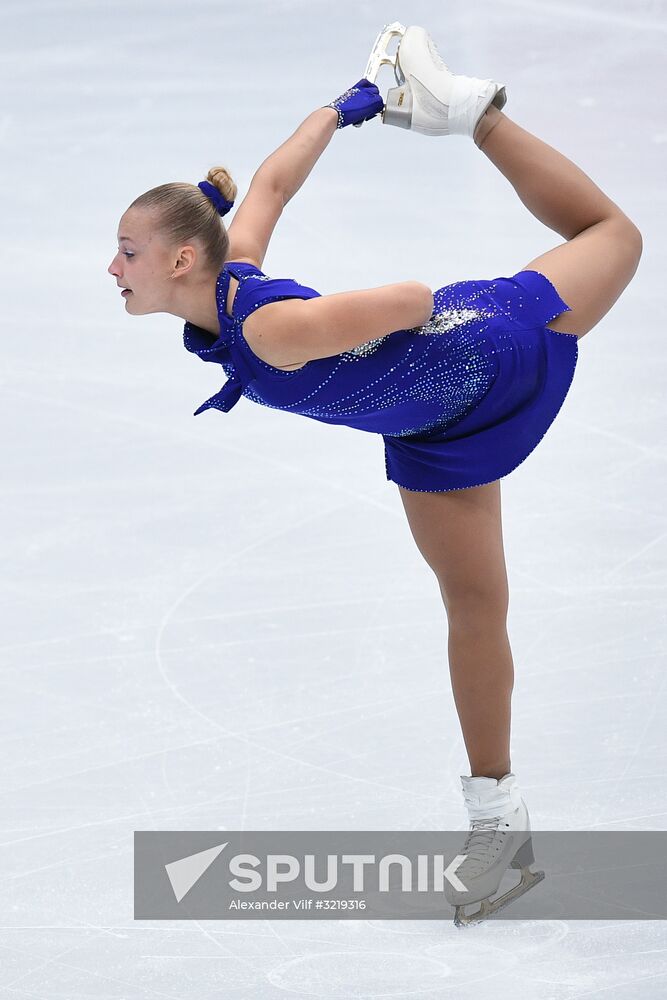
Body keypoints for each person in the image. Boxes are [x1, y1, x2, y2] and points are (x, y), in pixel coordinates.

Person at [108, 23, 642, 925]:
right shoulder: (234, 277)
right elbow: (271, 182)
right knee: (475, 607)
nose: (112, 268)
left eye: (126, 251)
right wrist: (344, 108)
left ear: (180, 259)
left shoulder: (264, 327)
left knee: (613, 235)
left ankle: (469, 112)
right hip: (432, 426)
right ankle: (497, 834)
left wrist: (427, 332)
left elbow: (403, 300)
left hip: (477, 359)